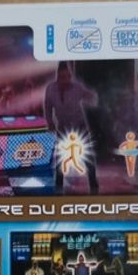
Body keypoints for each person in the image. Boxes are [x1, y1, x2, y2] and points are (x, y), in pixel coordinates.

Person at [44, 62, 99, 193]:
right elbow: (47, 107)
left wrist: (93, 97)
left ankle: (93, 184)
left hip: (79, 125)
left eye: (68, 76)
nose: (66, 80)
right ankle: (58, 185)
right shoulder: (50, 89)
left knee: (88, 155)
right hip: (63, 127)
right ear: (58, 77)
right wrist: (50, 122)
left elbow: (90, 97)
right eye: (63, 77)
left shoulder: (77, 87)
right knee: (60, 157)